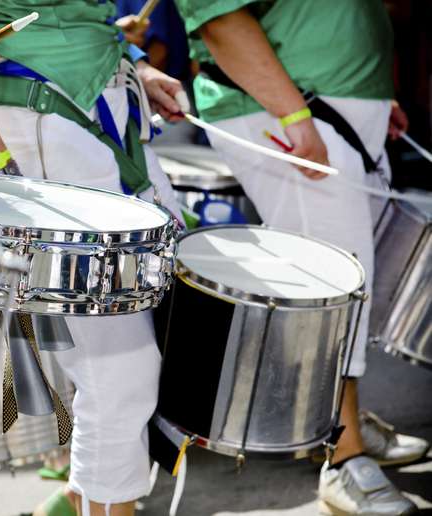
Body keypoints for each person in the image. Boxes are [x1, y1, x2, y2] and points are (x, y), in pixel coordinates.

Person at [0, 1, 190, 515]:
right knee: (120, 367)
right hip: (34, 123)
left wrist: (137, 67)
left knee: (140, 344)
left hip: (101, 116)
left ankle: (82, 495)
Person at [172, 1, 429, 514]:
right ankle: (340, 453)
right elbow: (221, 17)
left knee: (353, 269)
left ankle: (341, 421)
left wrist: (369, 96)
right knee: (334, 281)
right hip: (286, 108)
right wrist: (293, 112)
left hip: (326, 106)